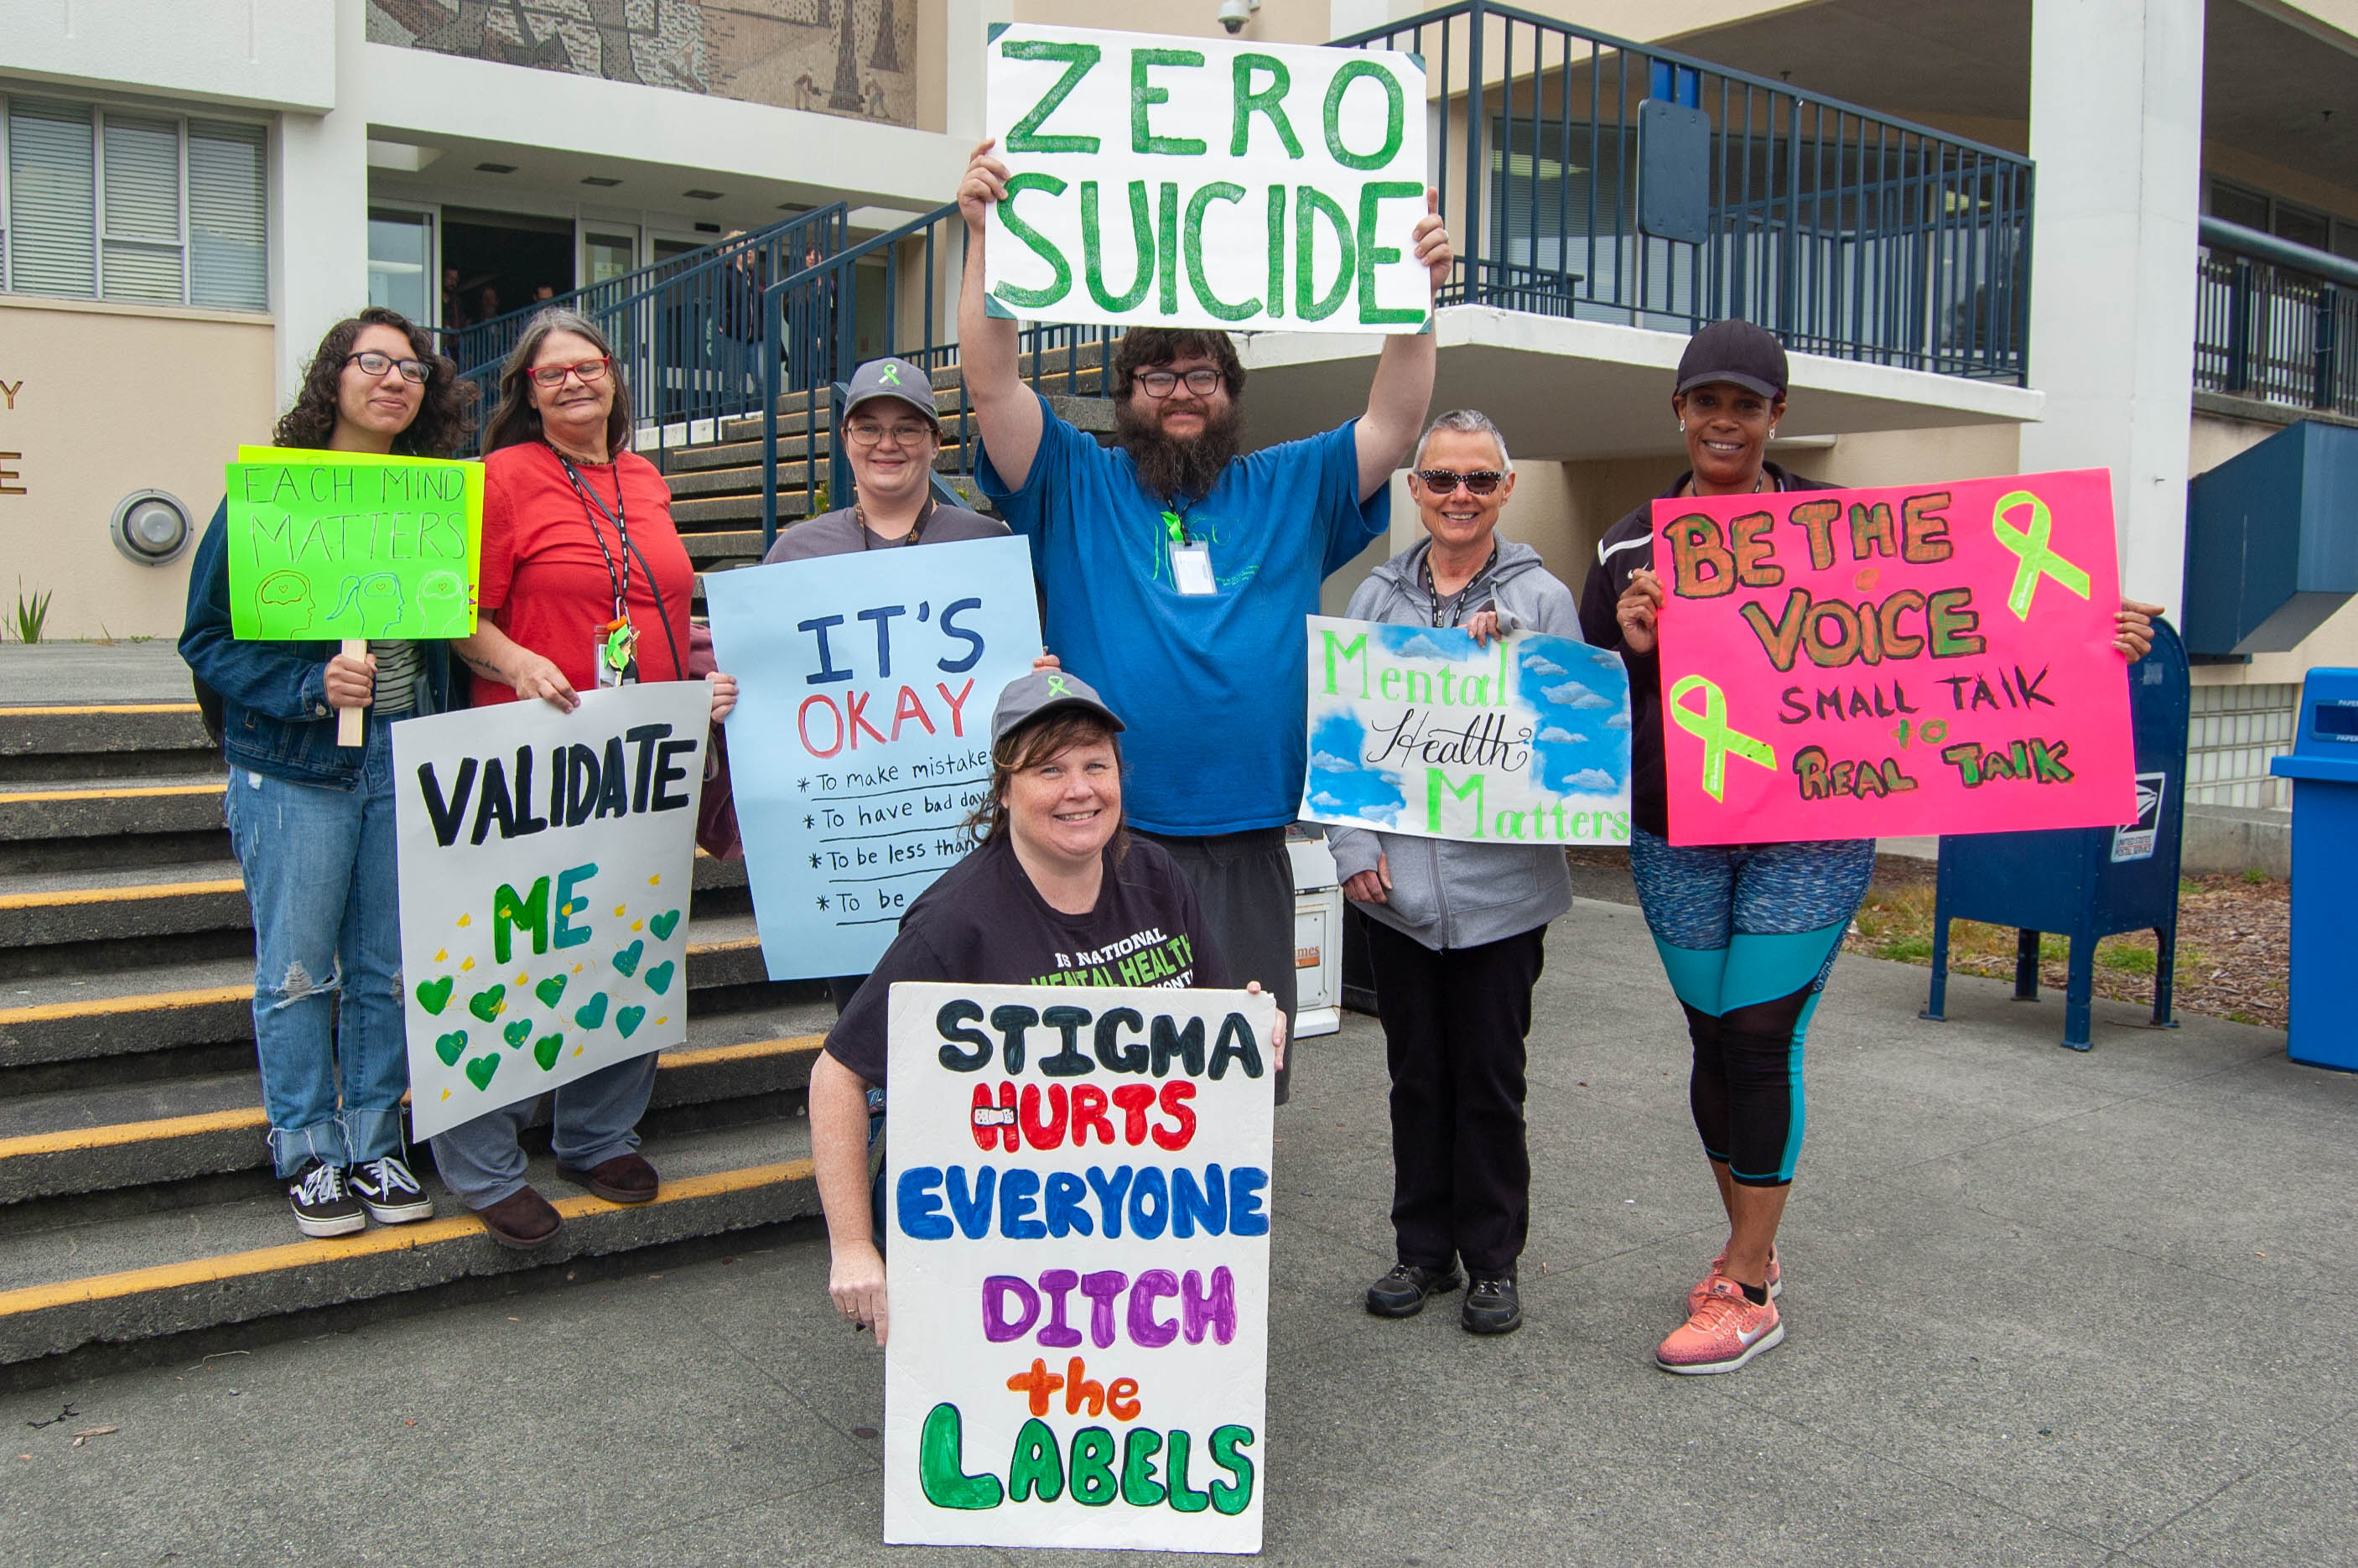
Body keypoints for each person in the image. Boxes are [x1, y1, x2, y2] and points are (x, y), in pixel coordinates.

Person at [1579, 318, 2160, 1373]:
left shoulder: (1839, 530)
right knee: (1710, 1039)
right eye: (1705, 401)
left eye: (1744, 404)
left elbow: (1968, 624)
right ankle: (1748, 1246)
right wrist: (1630, 644)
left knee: (1760, 1035)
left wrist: (2094, 638)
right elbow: (1582, 706)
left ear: (1776, 416)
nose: (1723, 421)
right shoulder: (1627, 543)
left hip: (1811, 826)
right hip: (1676, 829)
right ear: (1678, 410)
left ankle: (1748, 1289)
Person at [956, 138, 1455, 1104]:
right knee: (1103, 1071)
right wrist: (987, 241)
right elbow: (990, 386)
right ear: (1126, 397)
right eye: (1158, 376)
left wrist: (1414, 292)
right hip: (1100, 831)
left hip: (1246, 835)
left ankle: (1222, 1247)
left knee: (1240, 1054)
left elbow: (1393, 423)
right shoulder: (1073, 480)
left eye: (1201, 376)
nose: (1181, 392)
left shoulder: (1288, 485)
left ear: (1229, 395)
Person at [815, 669, 1286, 1343]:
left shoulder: (1155, 878)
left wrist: (1248, 1029)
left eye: (1097, 764)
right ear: (1004, 791)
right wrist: (855, 1248)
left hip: (1130, 1216)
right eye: (1049, 769)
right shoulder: (954, 924)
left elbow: (1208, 1023)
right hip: (990, 1229)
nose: (1080, 789)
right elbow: (839, 1073)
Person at [439, 307, 739, 1249]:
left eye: (589, 365)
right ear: (525, 393)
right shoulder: (498, 479)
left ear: (616, 377)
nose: (574, 382)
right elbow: (459, 616)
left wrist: (701, 685)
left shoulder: (644, 478)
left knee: (628, 935)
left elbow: (660, 603)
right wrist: (517, 661)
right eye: (550, 372)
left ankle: (597, 1131)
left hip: (639, 753)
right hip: (530, 748)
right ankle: (483, 1162)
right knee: (511, 951)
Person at [179, 307, 476, 1238]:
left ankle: (375, 1140)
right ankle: (308, 1149)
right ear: (333, 377)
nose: (394, 380)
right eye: (373, 362)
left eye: (413, 369)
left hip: (403, 756)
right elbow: (204, 639)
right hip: (295, 764)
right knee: (300, 970)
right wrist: (309, 683)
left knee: (387, 970)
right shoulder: (270, 494)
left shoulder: (434, 498)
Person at [1327, 410, 1578, 1337]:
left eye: (1478, 479)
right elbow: (1342, 731)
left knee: (1488, 1081)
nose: (1459, 496)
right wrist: (1352, 850)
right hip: (1395, 895)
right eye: (1441, 479)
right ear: (1415, 489)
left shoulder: (1543, 599)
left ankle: (1492, 1262)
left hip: (1502, 898)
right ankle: (1421, 1250)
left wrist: (1524, 673)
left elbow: (1573, 742)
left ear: (1505, 489)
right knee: (1415, 1080)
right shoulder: (1372, 602)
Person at [762, 356, 1010, 1010]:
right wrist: (738, 696)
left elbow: (1018, 676)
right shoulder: (793, 555)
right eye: (868, 427)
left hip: (959, 831)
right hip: (854, 839)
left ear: (935, 440)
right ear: (845, 440)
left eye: (908, 428)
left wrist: (1034, 675)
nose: (887, 444)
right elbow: (775, 689)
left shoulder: (987, 544)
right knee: (866, 1027)